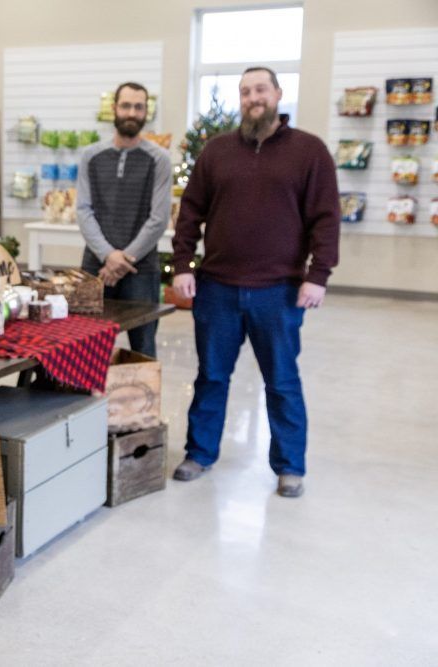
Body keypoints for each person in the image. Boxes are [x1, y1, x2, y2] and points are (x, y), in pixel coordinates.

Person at [170, 66, 340, 498]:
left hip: (279, 291)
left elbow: (326, 220)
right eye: (245, 91)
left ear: (278, 94)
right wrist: (184, 267)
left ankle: (290, 465)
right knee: (211, 376)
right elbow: (190, 213)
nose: (252, 97)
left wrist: (317, 276)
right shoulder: (216, 152)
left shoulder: (309, 152)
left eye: (260, 89)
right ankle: (200, 453)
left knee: (281, 380)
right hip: (217, 289)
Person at [77, 81, 172, 358]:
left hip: (141, 270)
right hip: (95, 267)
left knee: (143, 351)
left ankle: (140, 403)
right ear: (114, 109)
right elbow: (83, 210)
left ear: (146, 113)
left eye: (139, 107)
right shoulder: (91, 156)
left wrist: (123, 260)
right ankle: (90, 403)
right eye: (126, 105)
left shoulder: (160, 159)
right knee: (87, 347)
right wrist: (108, 255)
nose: (132, 112)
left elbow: (158, 219)